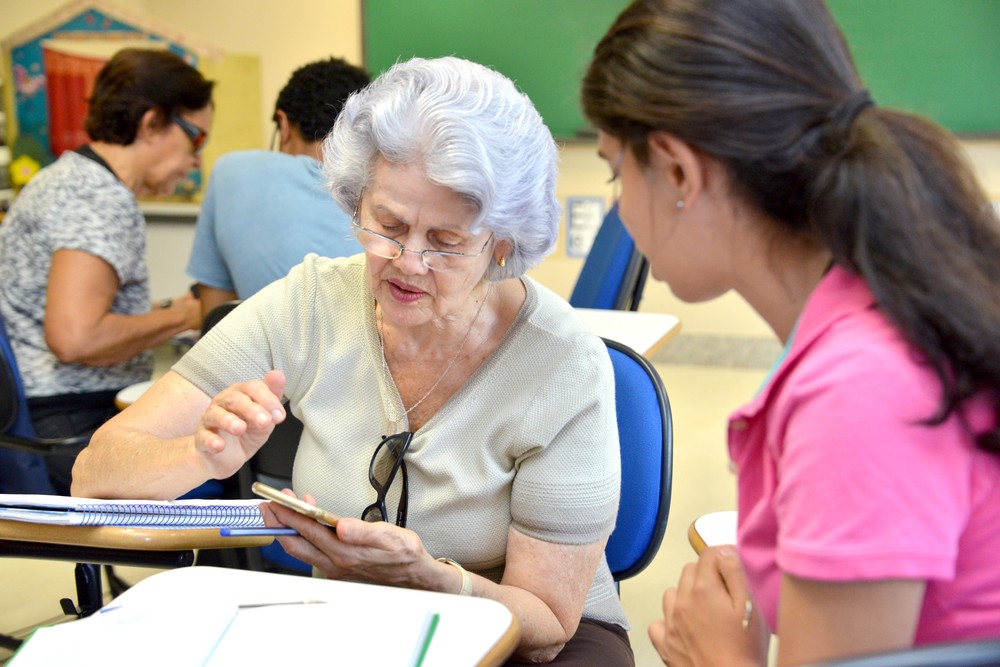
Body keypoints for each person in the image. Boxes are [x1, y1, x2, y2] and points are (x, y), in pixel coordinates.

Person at [73, 56, 632, 665]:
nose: (407, 261)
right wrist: (199, 454)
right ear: (355, 200)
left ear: (502, 246)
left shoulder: (561, 364)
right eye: (387, 224)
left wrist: (430, 577)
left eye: (445, 243)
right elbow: (95, 474)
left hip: (525, 639)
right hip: (358, 627)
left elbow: (547, 625)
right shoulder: (312, 301)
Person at [581, 0, 1000, 665]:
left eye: (614, 171)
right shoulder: (884, 313)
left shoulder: (858, 392)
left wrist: (722, 656)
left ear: (679, 172)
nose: (618, 204)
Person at [0, 48, 209, 494]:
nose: (196, 161)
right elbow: (75, 337)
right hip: (66, 425)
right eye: (197, 140)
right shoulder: (101, 197)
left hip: (38, 417)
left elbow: (77, 310)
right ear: (152, 123)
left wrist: (170, 308)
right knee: (226, 468)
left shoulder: (65, 176)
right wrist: (189, 316)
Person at [186, 57, 370, 319]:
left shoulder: (231, 171)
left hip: (264, 357)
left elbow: (216, 317)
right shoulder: (383, 192)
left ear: (283, 125)